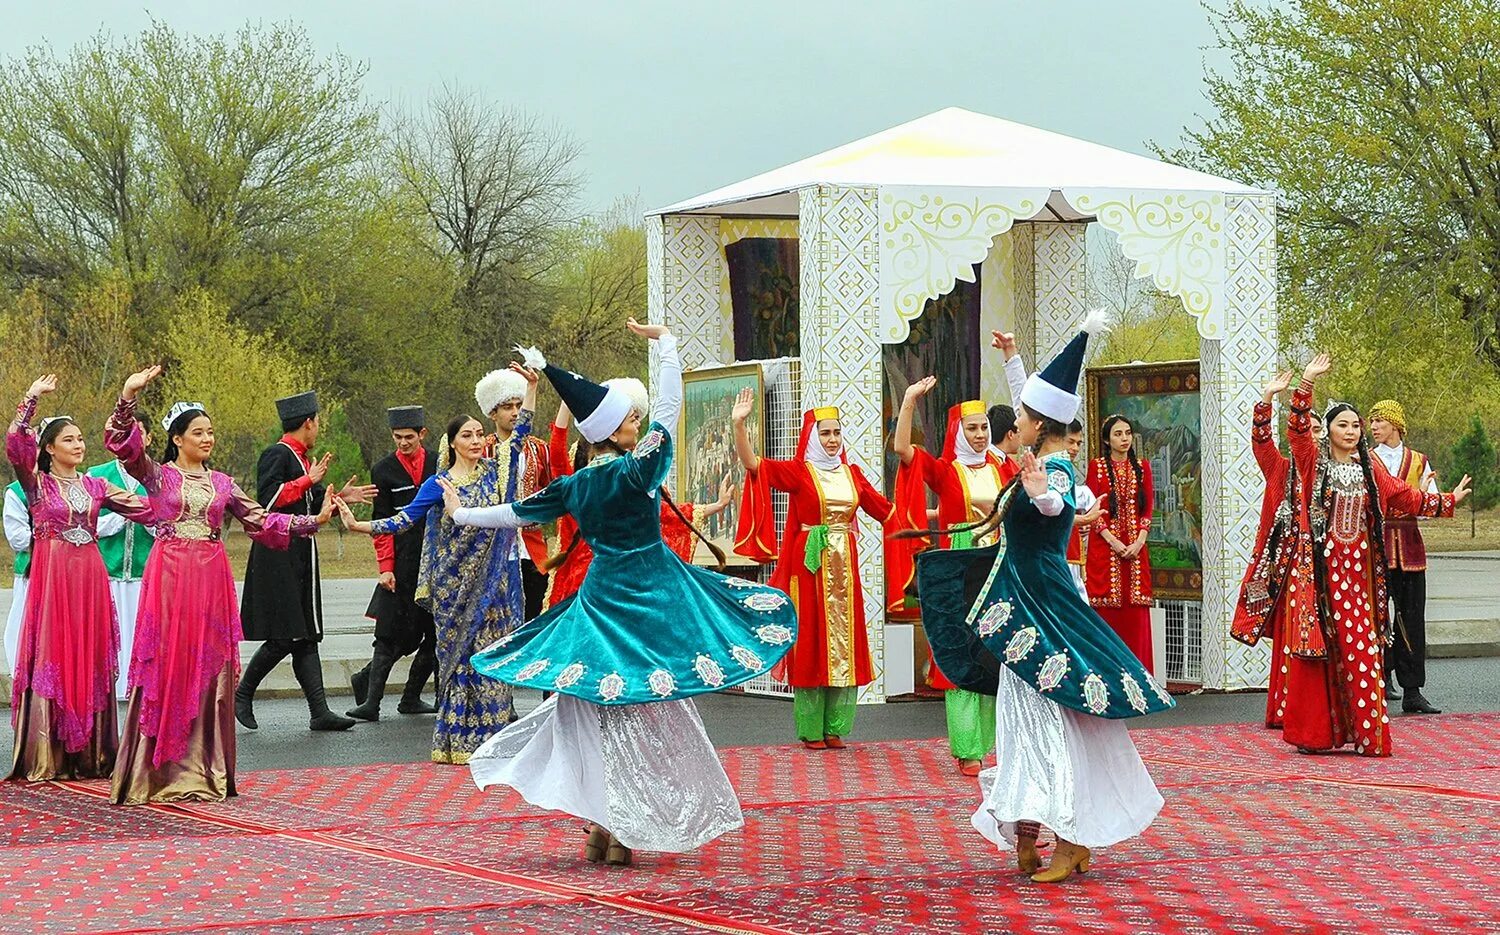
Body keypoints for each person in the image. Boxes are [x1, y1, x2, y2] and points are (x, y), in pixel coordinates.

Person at [429, 319, 795, 867]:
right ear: (615, 431)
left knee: (597, 706)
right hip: (650, 594)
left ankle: (601, 827)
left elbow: (514, 514)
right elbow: (670, 408)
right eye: (630, 418)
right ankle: (620, 826)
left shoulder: (577, 483)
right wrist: (666, 343)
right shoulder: (637, 470)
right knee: (639, 710)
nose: (638, 422)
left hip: (600, 601)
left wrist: (462, 512)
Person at [915, 309, 1172, 884]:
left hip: (1042, 607)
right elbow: (1039, 421)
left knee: (1048, 718)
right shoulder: (1041, 455)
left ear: (1032, 424)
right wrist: (1011, 360)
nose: (1016, 428)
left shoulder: (1052, 471)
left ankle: (1074, 837)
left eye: (1022, 419)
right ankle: (1030, 832)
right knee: (1021, 716)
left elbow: (1053, 502)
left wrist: (1046, 499)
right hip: (1026, 605)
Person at [105, 365, 334, 804]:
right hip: (170, 574)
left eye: (210, 432)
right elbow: (123, 445)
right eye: (197, 433)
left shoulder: (223, 483)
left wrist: (312, 521)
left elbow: (261, 521)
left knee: (208, 670)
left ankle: (202, 767)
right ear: (177, 439)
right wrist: (128, 396)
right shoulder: (158, 476)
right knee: (170, 665)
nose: (207, 439)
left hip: (211, 575)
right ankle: (157, 769)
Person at [1277, 355, 1466, 757]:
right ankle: (1318, 734)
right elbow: (1296, 431)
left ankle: (1370, 738)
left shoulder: (1370, 469)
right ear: (1327, 432)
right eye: (1342, 425)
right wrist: (1306, 383)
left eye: (1355, 424)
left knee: (1363, 651)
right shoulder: (1314, 463)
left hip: (1361, 578)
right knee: (1324, 654)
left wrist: (1446, 501)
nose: (1350, 430)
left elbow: (1405, 495)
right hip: (1324, 579)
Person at [339, 378, 536, 764]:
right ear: (453, 443)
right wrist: (358, 525)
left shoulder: (498, 475)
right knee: (459, 662)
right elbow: (403, 520)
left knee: (492, 659)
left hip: (494, 585)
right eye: (468, 435)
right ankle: (458, 743)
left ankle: (493, 741)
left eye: (480, 434)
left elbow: (521, 431)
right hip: (452, 589)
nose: (477, 441)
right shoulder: (439, 483)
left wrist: (533, 385)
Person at [6, 375, 154, 781]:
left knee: (89, 652)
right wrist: (30, 399)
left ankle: (93, 753)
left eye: (80, 439)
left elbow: (144, 508)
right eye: (69, 440)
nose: (78, 444)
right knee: (55, 651)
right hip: (53, 579)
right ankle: (48, 752)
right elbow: (16, 448)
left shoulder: (96, 485)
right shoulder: (36, 485)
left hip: (89, 575)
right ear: (49, 448)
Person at [733, 394, 897, 750]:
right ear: (811, 436)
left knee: (845, 642)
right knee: (811, 643)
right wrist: (739, 424)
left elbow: (884, 511)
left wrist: (947, 521)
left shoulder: (852, 474)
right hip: (810, 566)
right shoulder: (800, 472)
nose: (833, 439)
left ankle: (835, 726)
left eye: (837, 433)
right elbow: (753, 464)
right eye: (825, 433)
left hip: (845, 567)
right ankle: (810, 729)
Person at [890, 379, 1015, 776]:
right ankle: (967, 748)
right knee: (961, 648)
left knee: (993, 648)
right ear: (958, 431)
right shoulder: (945, 471)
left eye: (983, 428)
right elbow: (902, 449)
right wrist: (909, 400)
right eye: (972, 428)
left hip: (995, 559)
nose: (980, 435)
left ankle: (987, 743)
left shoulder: (1003, 467)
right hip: (961, 561)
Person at [236, 391, 374, 732]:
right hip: (279, 552)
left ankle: (319, 711)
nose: (317, 430)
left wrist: (341, 495)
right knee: (286, 634)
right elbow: (266, 502)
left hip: (302, 554)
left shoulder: (302, 460)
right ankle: (243, 694)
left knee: (306, 635)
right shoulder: (276, 454)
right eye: (317, 424)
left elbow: (309, 504)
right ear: (308, 423)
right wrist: (306, 481)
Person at [545, 392, 733, 609]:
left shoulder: (633, 472)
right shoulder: (582, 480)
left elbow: (664, 513)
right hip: (590, 577)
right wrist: (567, 399)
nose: (637, 427)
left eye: (637, 420)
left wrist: (716, 506)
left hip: (622, 577)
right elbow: (557, 457)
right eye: (632, 420)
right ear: (612, 431)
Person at [346, 406, 439, 722]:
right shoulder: (383, 469)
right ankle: (371, 702)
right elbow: (380, 521)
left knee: (434, 632)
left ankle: (411, 697)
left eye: (409, 437)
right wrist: (385, 566)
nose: (403, 443)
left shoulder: (440, 463)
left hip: (436, 560)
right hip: (401, 560)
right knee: (390, 632)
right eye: (398, 438)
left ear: (422, 434)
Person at [1229, 370, 1310, 730]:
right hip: (1286, 568)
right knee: (1291, 638)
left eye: (1319, 431)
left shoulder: (1330, 474)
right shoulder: (1281, 469)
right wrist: (1267, 399)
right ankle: (1285, 709)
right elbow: (1262, 442)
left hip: (1324, 568)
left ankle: (1316, 713)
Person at [1368, 399, 1441, 714]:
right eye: (1371, 423)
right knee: (1376, 618)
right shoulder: (1366, 460)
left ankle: (1413, 690)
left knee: (1412, 618)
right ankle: (1380, 682)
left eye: (1379, 422)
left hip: (1410, 548)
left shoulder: (1418, 461)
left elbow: (1432, 507)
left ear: (1395, 424)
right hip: (1377, 549)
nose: (1373, 428)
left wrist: (1423, 497)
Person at [475, 365, 553, 623]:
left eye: (519, 405)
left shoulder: (540, 449)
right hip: (494, 549)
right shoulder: (482, 451)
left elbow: (551, 489)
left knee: (534, 620)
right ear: (492, 413)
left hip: (532, 550)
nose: (516, 412)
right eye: (508, 406)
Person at [88, 412, 156, 700]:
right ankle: (109, 686)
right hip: (109, 569)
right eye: (126, 432)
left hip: (146, 570)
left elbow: (168, 521)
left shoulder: (160, 475)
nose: (132, 438)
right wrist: (117, 519)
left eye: (139, 432)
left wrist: (147, 519)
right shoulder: (96, 475)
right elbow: (86, 520)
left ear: (149, 438)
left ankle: (142, 685)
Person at [1086, 415, 1155, 671]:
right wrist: (1113, 541)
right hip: (1106, 551)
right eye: (1118, 434)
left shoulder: (1142, 466)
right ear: (1106, 439)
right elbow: (1093, 508)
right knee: (1108, 615)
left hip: (1136, 552)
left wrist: (1139, 541)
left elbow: (1147, 509)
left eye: (1127, 433)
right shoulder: (1097, 468)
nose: (1124, 438)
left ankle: (1141, 678)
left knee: (1135, 613)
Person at [4, 479, 31, 675]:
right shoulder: (17, 491)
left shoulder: (81, 482)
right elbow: (18, 538)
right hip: (32, 571)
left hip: (72, 570)